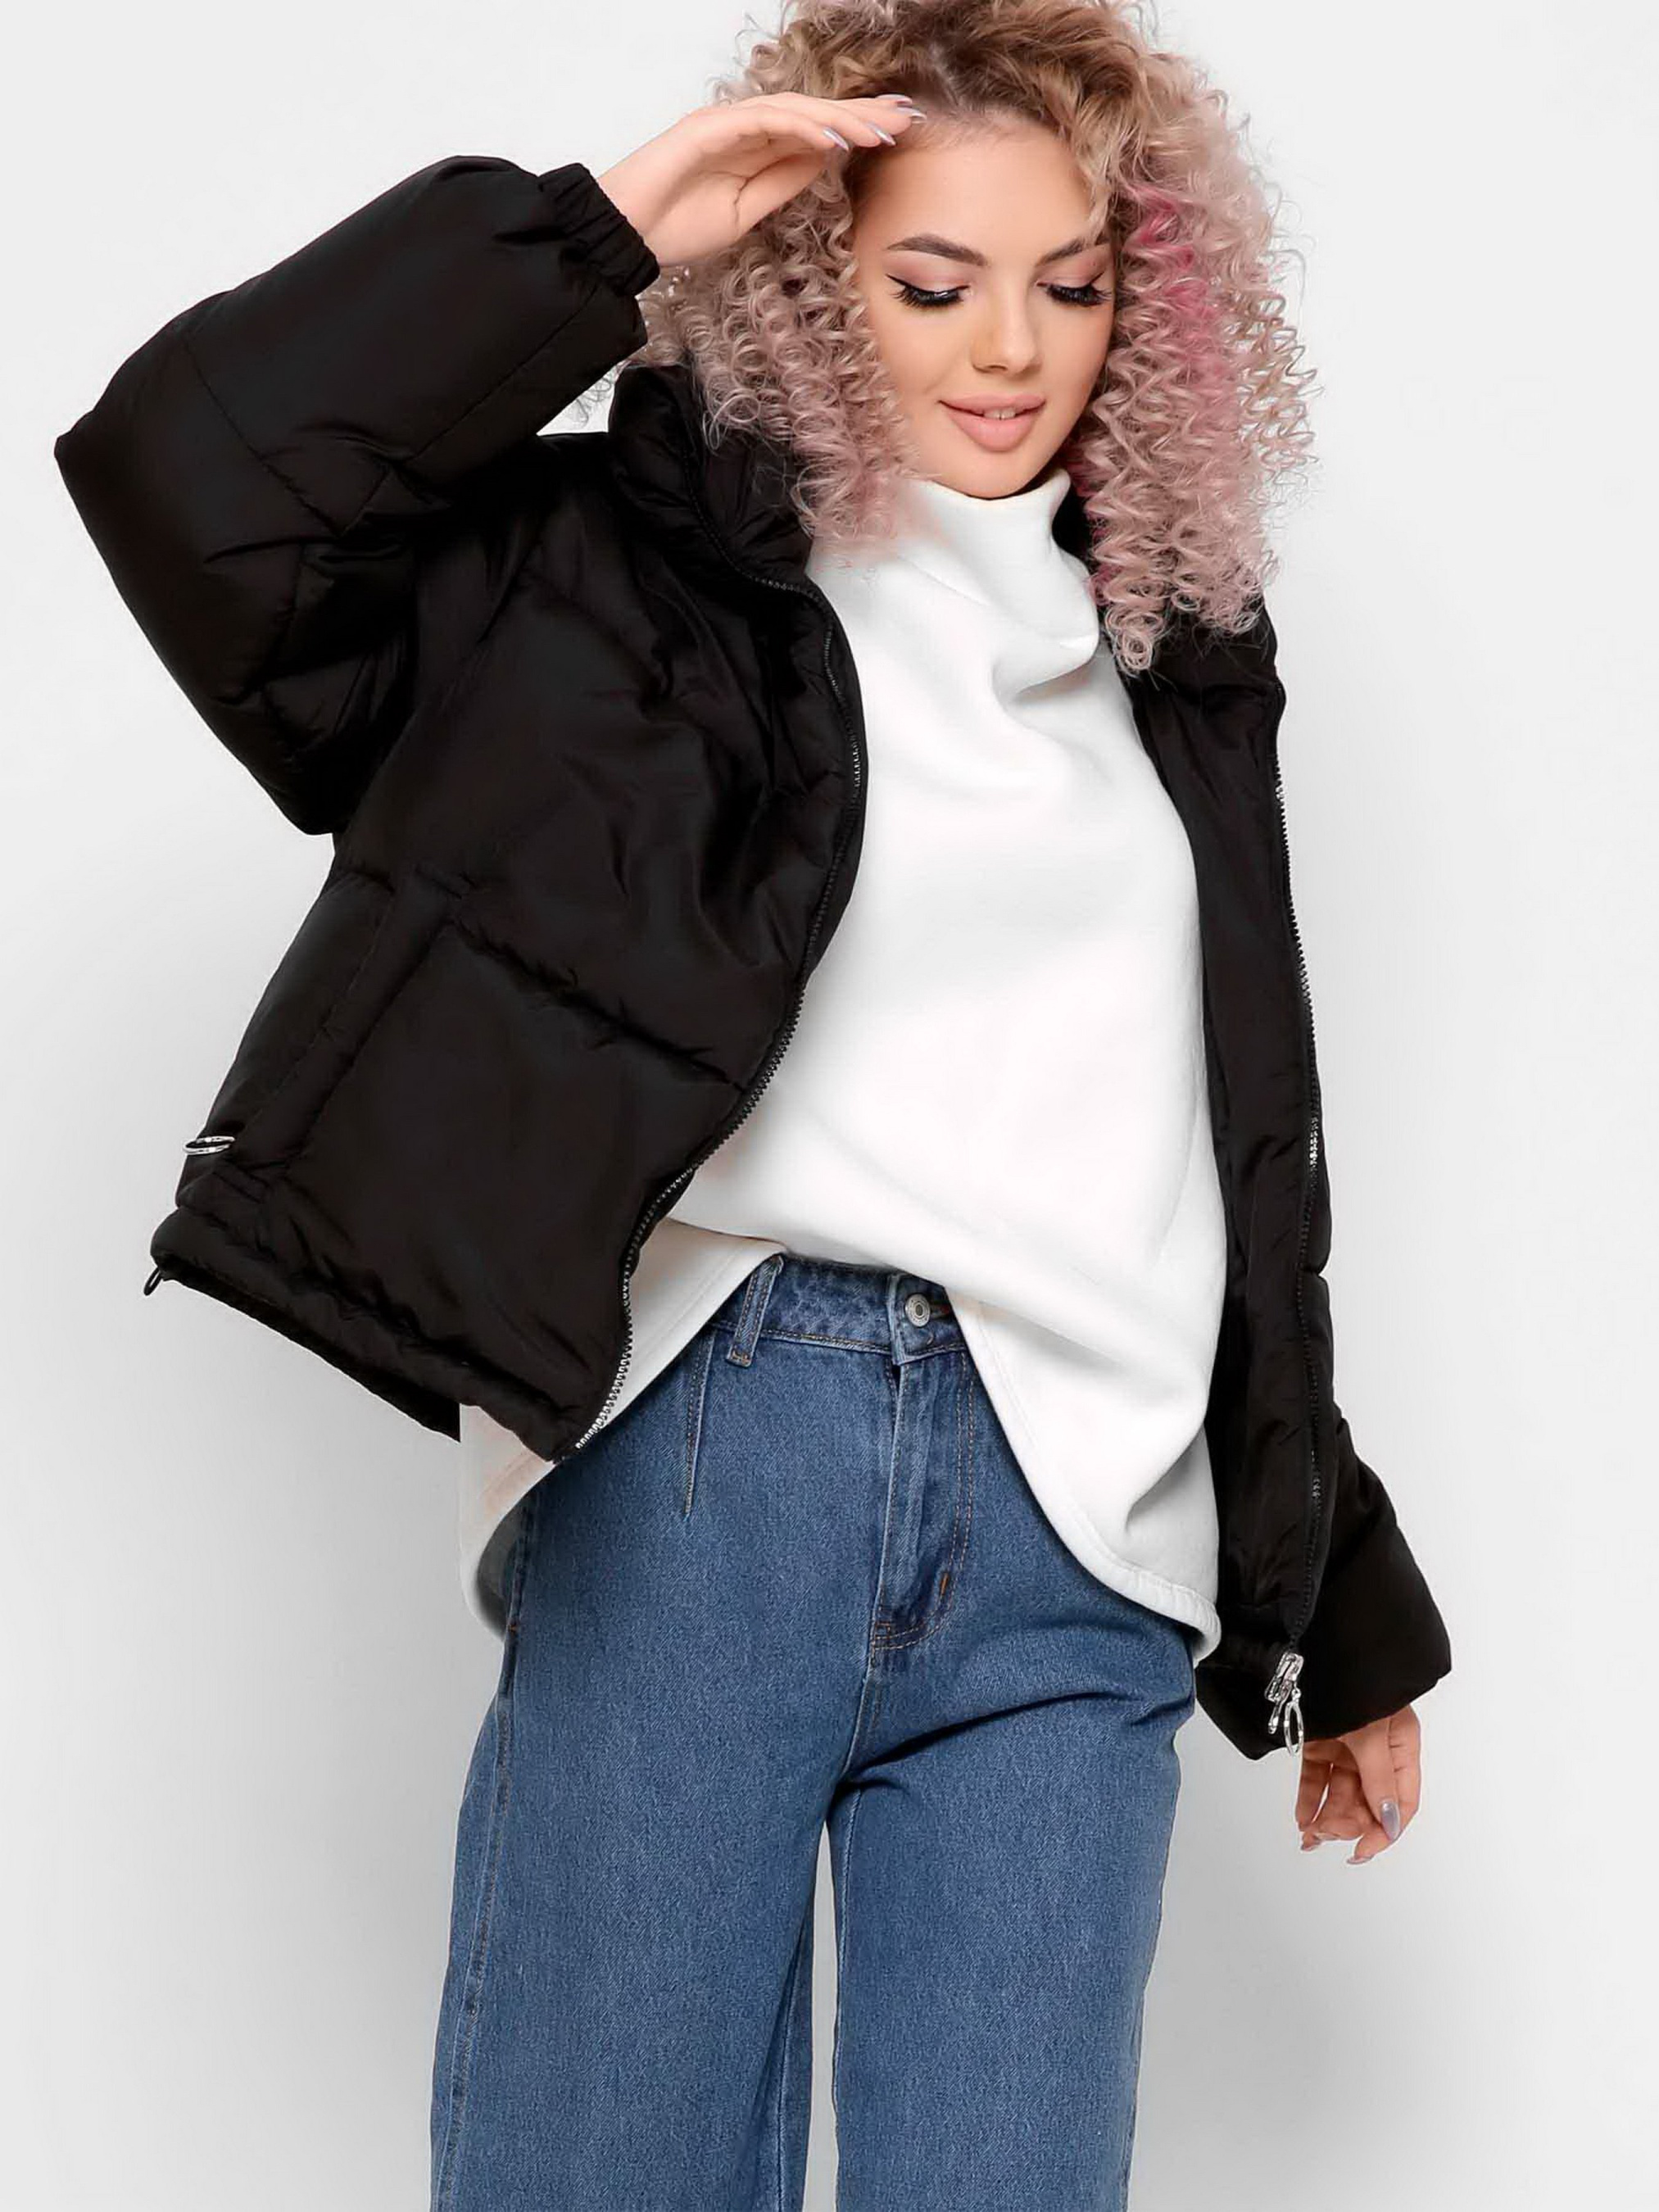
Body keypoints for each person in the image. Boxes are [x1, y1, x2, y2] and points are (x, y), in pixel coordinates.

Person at [53, 2, 1453, 2204]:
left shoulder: (1180, 658)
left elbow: (1205, 1146)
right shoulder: (615, 586)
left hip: (1085, 1533)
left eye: (1071, 282)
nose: (1011, 348)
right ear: (813, 276)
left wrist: (1332, 1603)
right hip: (710, 1470)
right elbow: (192, 482)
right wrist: (603, 230)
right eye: (932, 280)